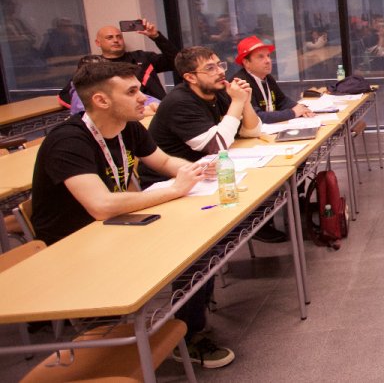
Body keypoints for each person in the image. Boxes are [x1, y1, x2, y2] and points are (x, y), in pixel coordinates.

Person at [30, 60, 235, 368]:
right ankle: (170, 334)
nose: (144, 97)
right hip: (74, 249)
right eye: (132, 91)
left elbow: (165, 162)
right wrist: (174, 190)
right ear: (101, 100)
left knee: (204, 244)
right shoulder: (68, 141)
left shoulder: (128, 127)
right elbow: (100, 205)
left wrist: (198, 168)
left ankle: (189, 332)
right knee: (192, 249)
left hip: (118, 227)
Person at [150, 46, 286, 243]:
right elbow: (216, 145)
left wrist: (245, 101)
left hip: (209, 171)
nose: (221, 71)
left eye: (220, 65)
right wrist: (237, 102)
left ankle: (256, 224)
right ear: (190, 78)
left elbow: (252, 131)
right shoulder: (179, 102)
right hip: (172, 180)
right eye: (211, 68)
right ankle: (248, 227)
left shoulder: (218, 90)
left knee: (269, 176)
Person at [231, 35, 314, 123]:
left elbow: (282, 101)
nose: (268, 61)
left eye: (268, 55)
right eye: (261, 57)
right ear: (246, 62)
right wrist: (292, 112)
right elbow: (256, 117)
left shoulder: (267, 77)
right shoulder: (240, 84)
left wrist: (301, 108)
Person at [93, 18, 179, 100]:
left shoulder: (141, 57)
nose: (116, 40)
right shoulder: (95, 66)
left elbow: (176, 61)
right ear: (98, 43)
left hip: (155, 109)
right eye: (109, 37)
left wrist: (156, 36)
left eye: (119, 37)